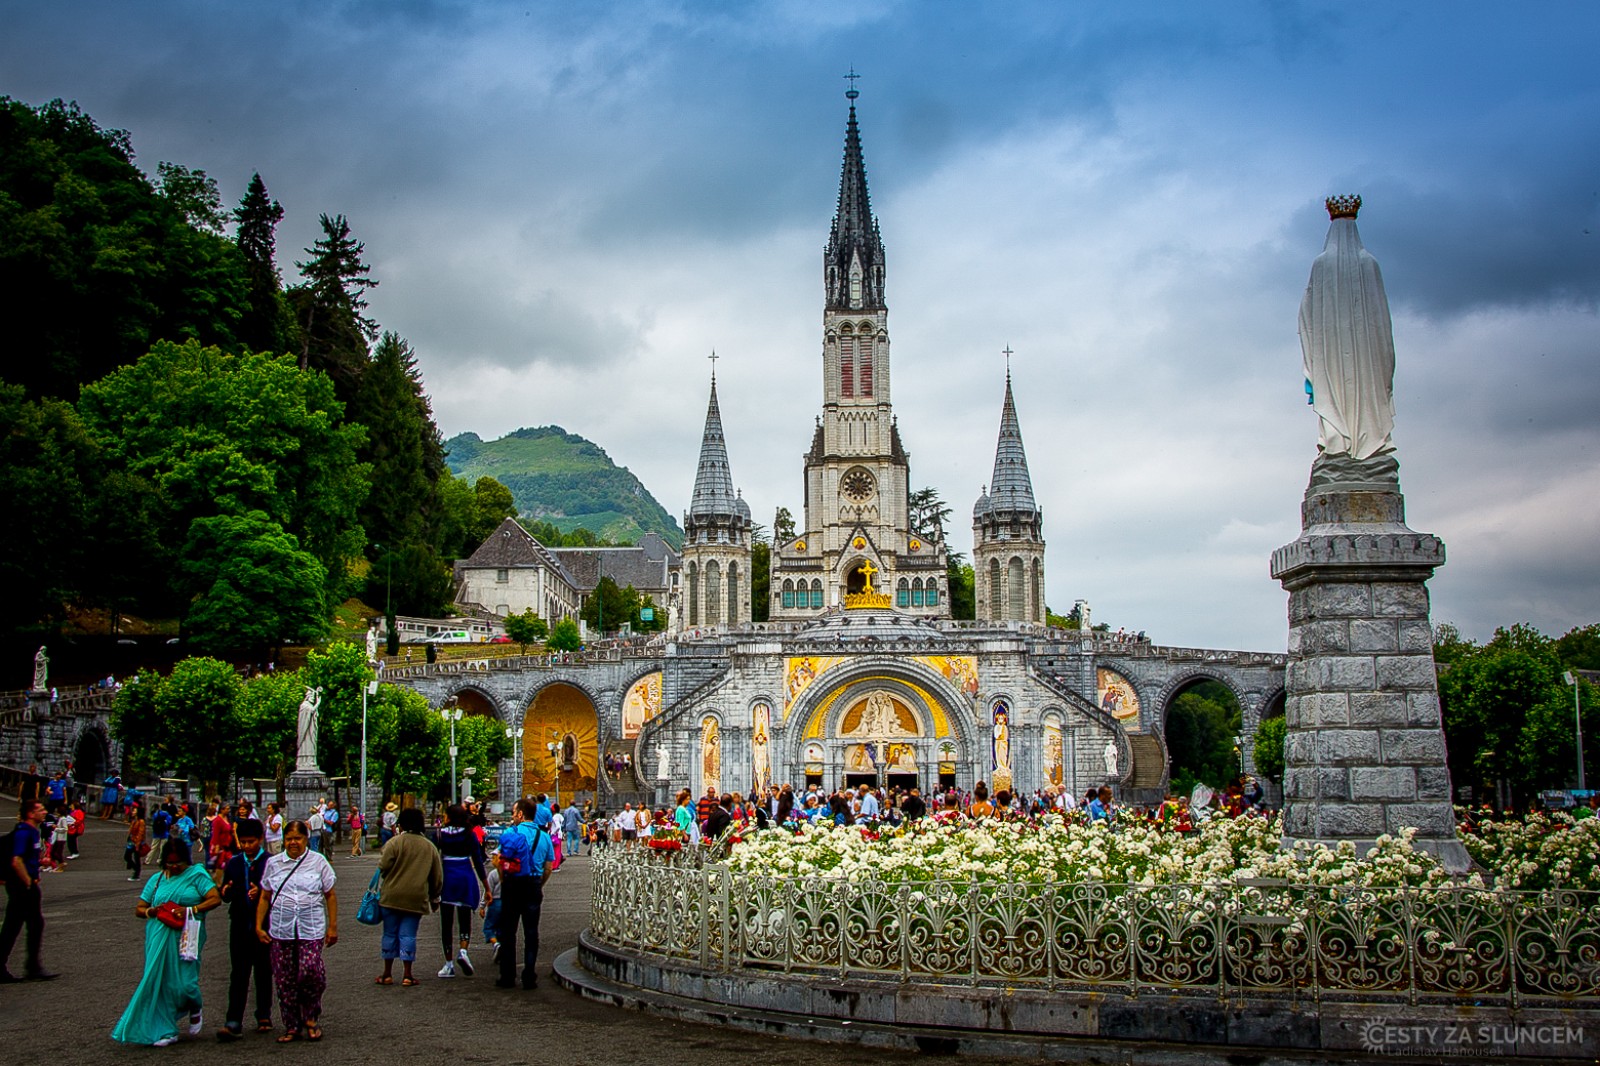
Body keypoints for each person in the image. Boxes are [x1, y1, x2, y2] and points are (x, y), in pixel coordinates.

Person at [111, 839, 223, 1045]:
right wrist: (150, 911)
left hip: (186, 935)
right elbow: (139, 908)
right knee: (160, 983)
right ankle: (166, 1029)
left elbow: (215, 898)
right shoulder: (156, 879)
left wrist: (191, 910)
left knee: (185, 984)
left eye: (177, 862)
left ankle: (194, 1004)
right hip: (158, 935)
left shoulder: (197, 875)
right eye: (169, 863)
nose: (173, 867)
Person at [256, 820, 338, 1043]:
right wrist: (258, 925)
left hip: (311, 928)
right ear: (284, 840)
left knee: (311, 971)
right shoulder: (274, 863)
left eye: (298, 838)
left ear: (306, 839)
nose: (293, 843)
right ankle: (291, 1024)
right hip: (281, 929)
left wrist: (332, 927)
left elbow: (330, 895)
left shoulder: (318, 862)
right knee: (285, 979)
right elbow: (265, 896)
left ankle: (311, 1016)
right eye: (289, 839)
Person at [216, 819, 273, 1041]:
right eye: (243, 842)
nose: (247, 846)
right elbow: (226, 894)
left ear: (260, 840)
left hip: (264, 924)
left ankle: (264, 1014)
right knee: (238, 973)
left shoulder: (270, 862)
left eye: (251, 842)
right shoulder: (234, 863)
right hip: (239, 923)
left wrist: (260, 893)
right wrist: (227, 891)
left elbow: (274, 893)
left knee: (263, 971)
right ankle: (233, 1020)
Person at [376, 807, 441, 987]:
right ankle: (407, 975)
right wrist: (435, 898)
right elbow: (437, 876)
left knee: (389, 933)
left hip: (391, 896)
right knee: (408, 935)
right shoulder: (429, 846)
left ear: (401, 823)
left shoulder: (394, 843)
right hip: (416, 898)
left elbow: (383, 866)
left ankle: (387, 973)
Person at [494, 798, 555, 990]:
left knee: (508, 932)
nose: (512, 816)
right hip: (533, 885)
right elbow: (548, 867)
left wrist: (504, 880)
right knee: (531, 932)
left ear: (521, 814)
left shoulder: (510, 833)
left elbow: (499, 861)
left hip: (512, 885)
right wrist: (539, 884)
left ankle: (507, 976)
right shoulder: (544, 836)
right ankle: (529, 975)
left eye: (513, 812)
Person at [1, 801, 57, 982]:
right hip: (22, 886)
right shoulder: (24, 832)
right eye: (40, 810)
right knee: (14, 926)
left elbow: (25, 858)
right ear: (31, 814)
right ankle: (30, 967)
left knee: (31, 924)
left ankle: (32, 966)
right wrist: (27, 882)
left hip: (26, 884)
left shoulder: (33, 832)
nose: (44, 812)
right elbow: (16, 861)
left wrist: (41, 863)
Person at [435, 804, 489, 978]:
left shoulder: (440, 835)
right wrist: (487, 887)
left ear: (449, 817)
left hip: (448, 878)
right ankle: (464, 951)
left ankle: (448, 963)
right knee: (464, 918)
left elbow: (434, 859)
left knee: (447, 923)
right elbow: (479, 862)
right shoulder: (469, 834)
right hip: (466, 876)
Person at [125, 804, 149, 882]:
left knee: (136, 858)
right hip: (131, 841)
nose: (133, 812)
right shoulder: (134, 820)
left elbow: (140, 833)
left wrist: (138, 844)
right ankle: (135, 869)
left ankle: (136, 873)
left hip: (136, 842)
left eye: (134, 811)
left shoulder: (141, 821)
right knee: (127, 856)